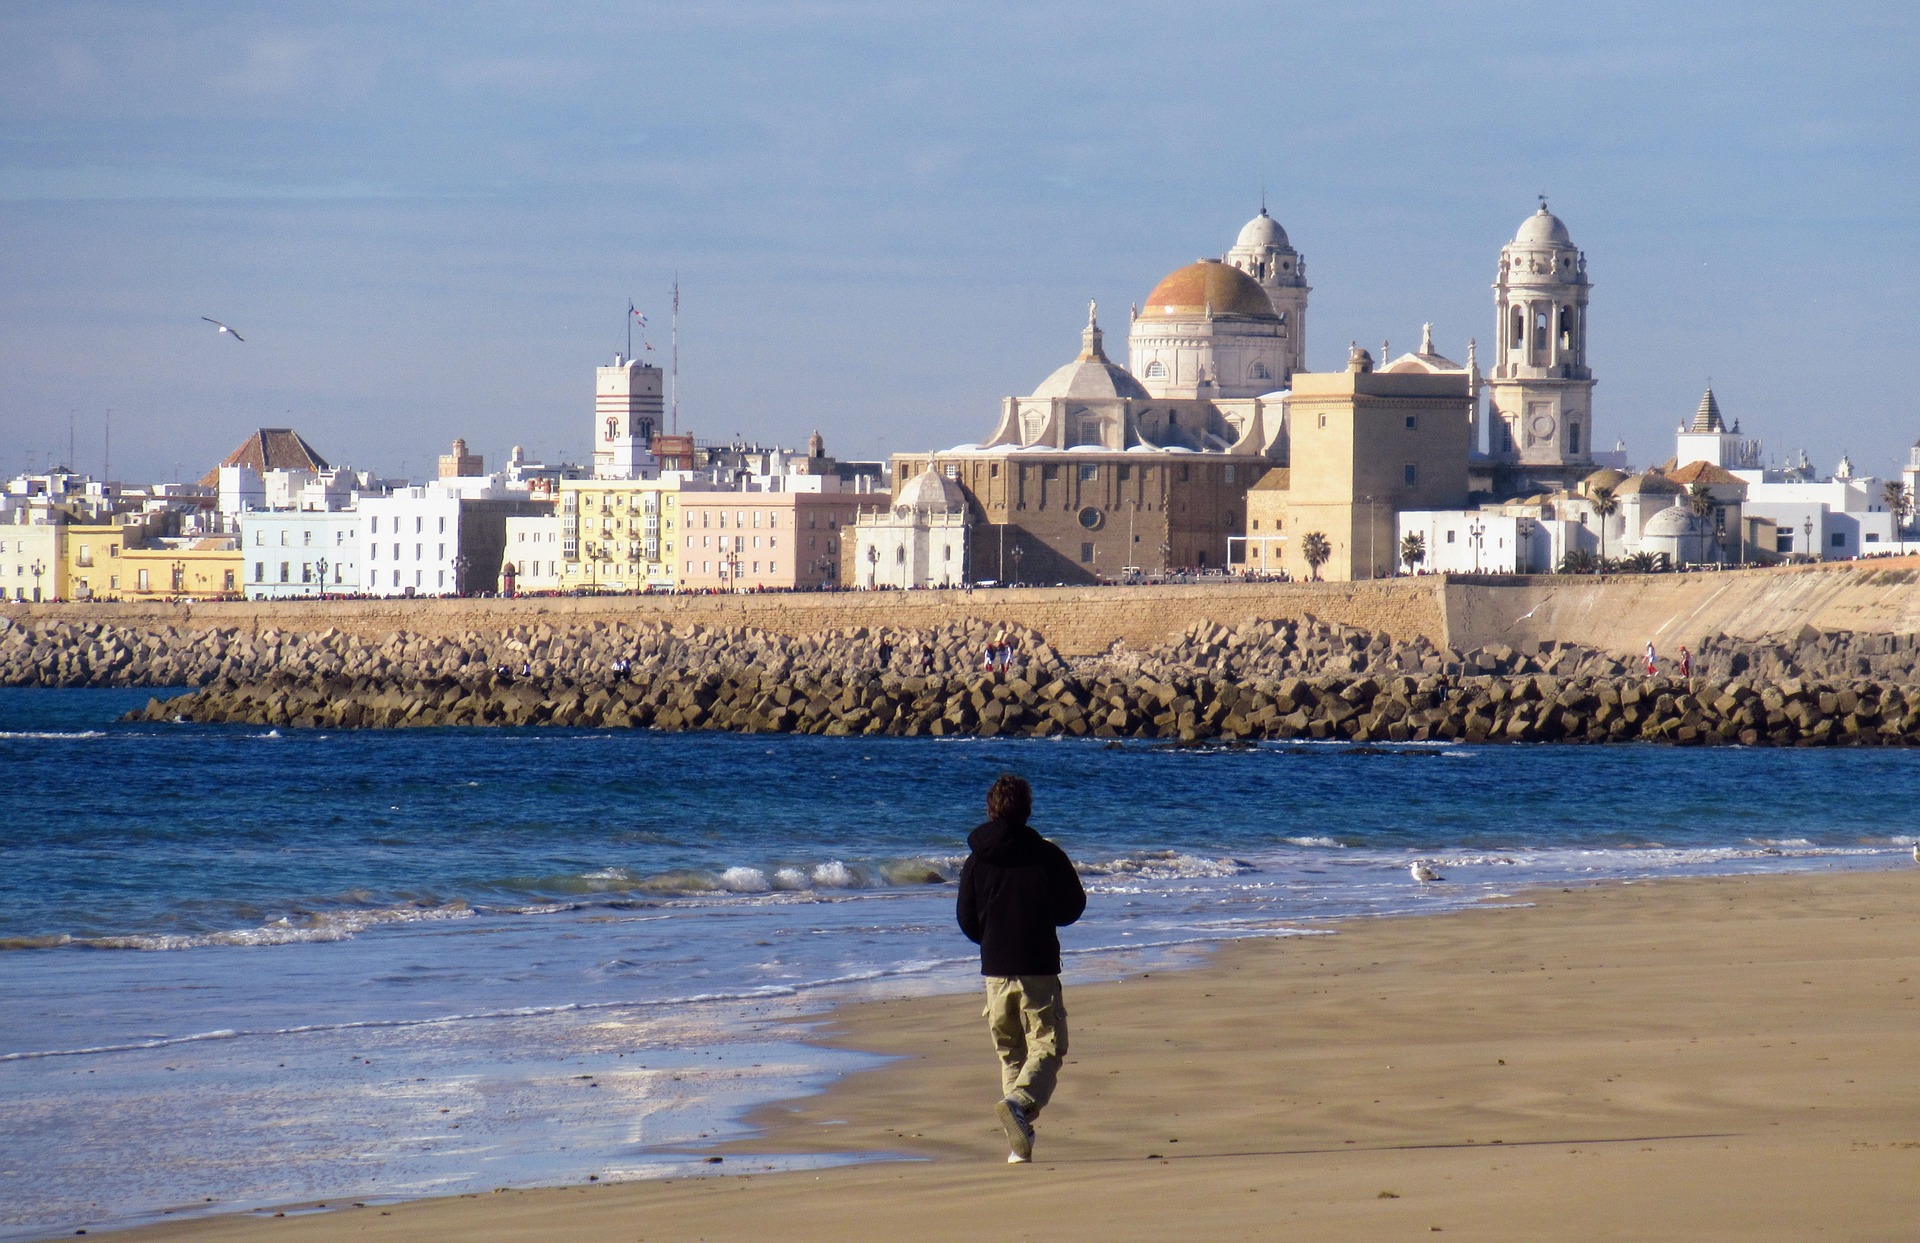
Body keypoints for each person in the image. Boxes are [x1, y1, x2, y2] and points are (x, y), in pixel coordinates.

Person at [956, 774, 1086, 1163]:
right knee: (1048, 1045)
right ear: (1027, 810)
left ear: (991, 808)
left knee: (1012, 1052)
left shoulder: (977, 859)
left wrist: (992, 937)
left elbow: (966, 918)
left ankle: (1019, 1144)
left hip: (995, 969)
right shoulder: (1046, 854)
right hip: (1037, 966)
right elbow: (1073, 906)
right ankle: (1021, 1104)